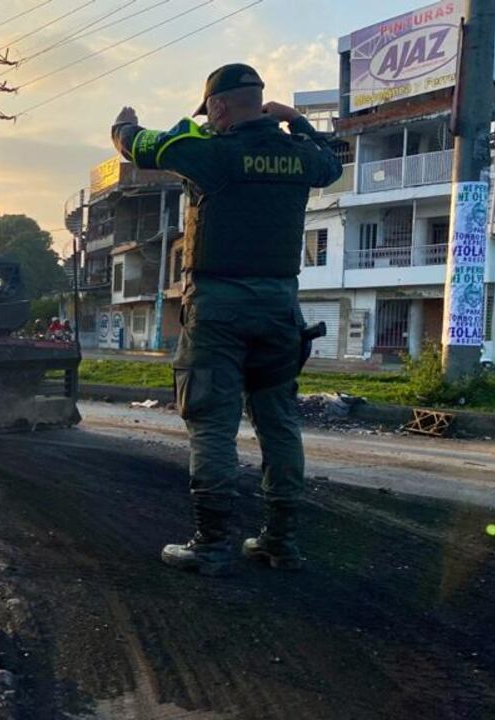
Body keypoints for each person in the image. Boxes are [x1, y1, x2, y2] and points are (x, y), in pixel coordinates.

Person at [111, 63, 342, 576]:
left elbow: (144, 147)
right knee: (279, 425)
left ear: (217, 107)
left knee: (212, 424)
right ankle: (280, 543)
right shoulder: (299, 154)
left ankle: (211, 544)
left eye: (210, 112)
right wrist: (298, 122)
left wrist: (122, 126)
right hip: (281, 309)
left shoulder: (213, 152)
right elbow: (333, 162)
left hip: (219, 308)